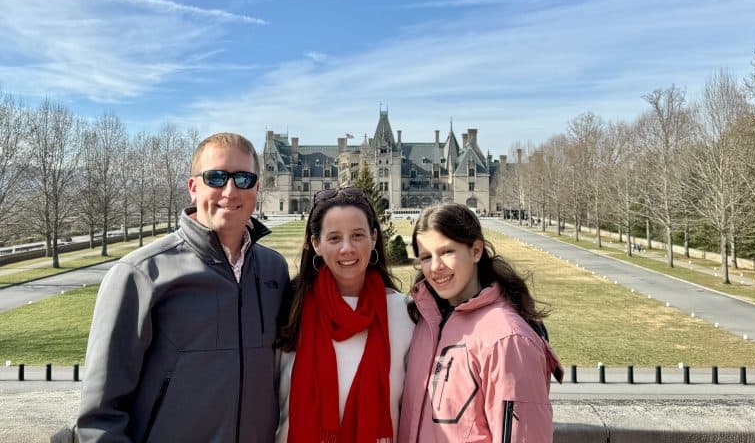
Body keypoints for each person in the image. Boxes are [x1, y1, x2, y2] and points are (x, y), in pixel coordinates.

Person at [76, 132, 289, 443]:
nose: (230, 191)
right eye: (216, 177)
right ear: (193, 188)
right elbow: (99, 418)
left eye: (243, 178)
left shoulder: (274, 271)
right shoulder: (141, 275)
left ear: (257, 187)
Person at [398, 202, 563, 443]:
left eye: (447, 252)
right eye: (426, 257)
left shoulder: (508, 339)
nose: (435, 267)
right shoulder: (425, 323)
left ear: (476, 251)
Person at [275, 187, 414, 443]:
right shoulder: (290, 309)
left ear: (373, 238)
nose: (347, 248)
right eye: (335, 238)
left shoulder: (405, 313)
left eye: (358, 235)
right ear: (316, 244)